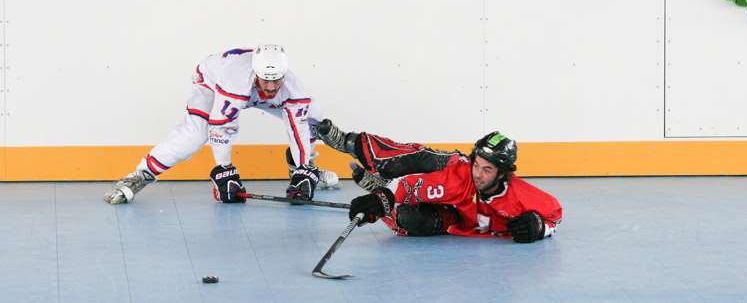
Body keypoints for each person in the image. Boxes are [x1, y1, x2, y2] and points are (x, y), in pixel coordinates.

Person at [103, 45, 341, 205]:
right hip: (211, 82)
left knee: (314, 120)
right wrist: (224, 170)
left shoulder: (292, 87)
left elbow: (296, 125)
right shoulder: (234, 82)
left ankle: (303, 169)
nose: (269, 89)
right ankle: (138, 177)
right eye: (265, 81)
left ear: (284, 75)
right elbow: (221, 127)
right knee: (194, 136)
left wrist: (303, 168)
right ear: (255, 72)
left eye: (275, 81)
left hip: (248, 89)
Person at [317, 120, 562, 243]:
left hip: (456, 218)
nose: (478, 173)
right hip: (448, 169)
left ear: (503, 174)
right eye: (476, 164)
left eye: (487, 170)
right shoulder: (463, 176)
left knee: (411, 220)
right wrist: (382, 199)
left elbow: (555, 213)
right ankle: (349, 142)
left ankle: (380, 186)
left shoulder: (520, 193)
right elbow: (413, 186)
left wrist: (541, 228)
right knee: (414, 161)